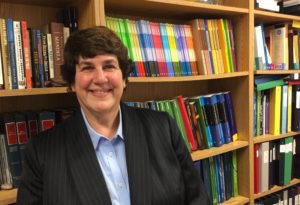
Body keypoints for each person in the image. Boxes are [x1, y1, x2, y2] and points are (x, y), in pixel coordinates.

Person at [17, 26, 210, 205]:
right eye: (87, 67)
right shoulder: (41, 152)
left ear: (124, 78)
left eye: (109, 66)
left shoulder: (163, 128)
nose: (100, 78)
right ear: (73, 82)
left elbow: (197, 200)